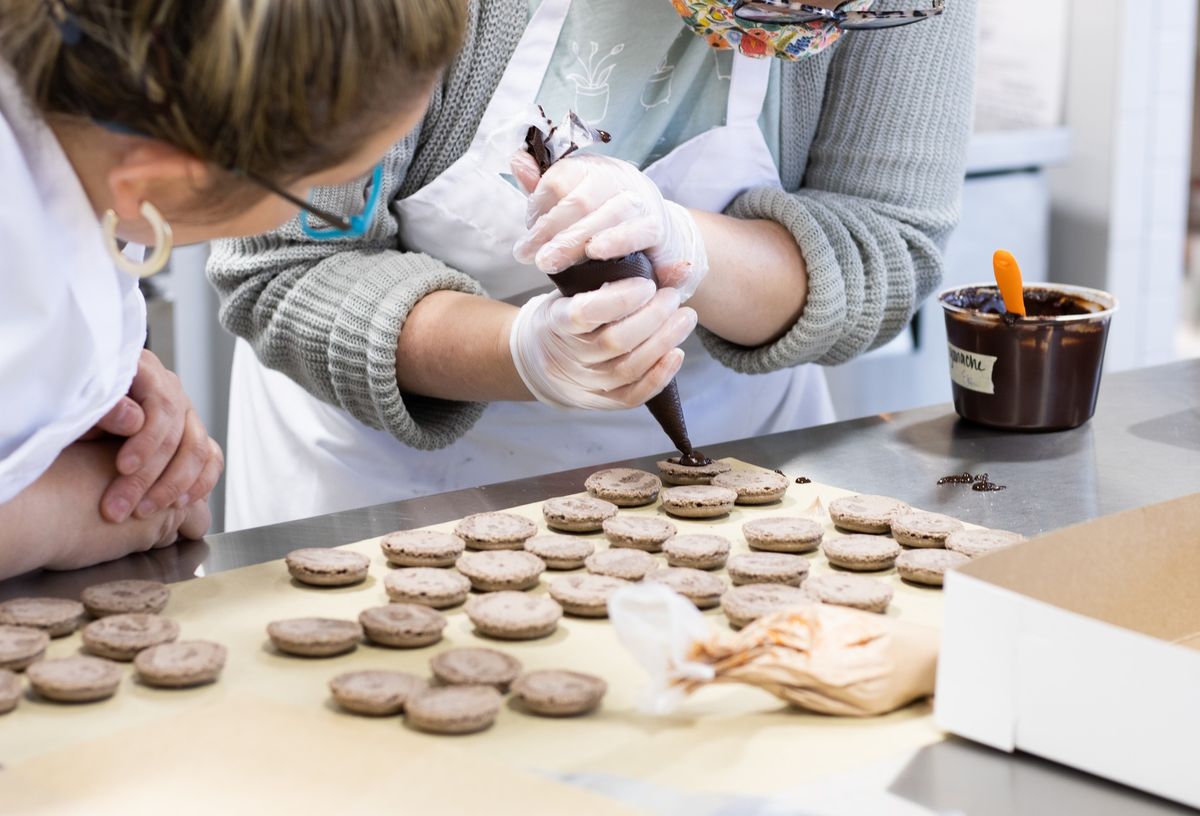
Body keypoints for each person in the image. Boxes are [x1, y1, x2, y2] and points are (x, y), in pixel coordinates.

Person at [209, 0, 977, 531]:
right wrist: (529, 353)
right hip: (388, 484)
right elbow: (290, 263)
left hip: (736, 469)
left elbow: (888, 244)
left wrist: (688, 247)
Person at [0, 0, 468, 580]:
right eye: (337, 184)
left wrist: (107, 381)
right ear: (154, 186)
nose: (356, 201)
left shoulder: (95, 146)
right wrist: (54, 513)